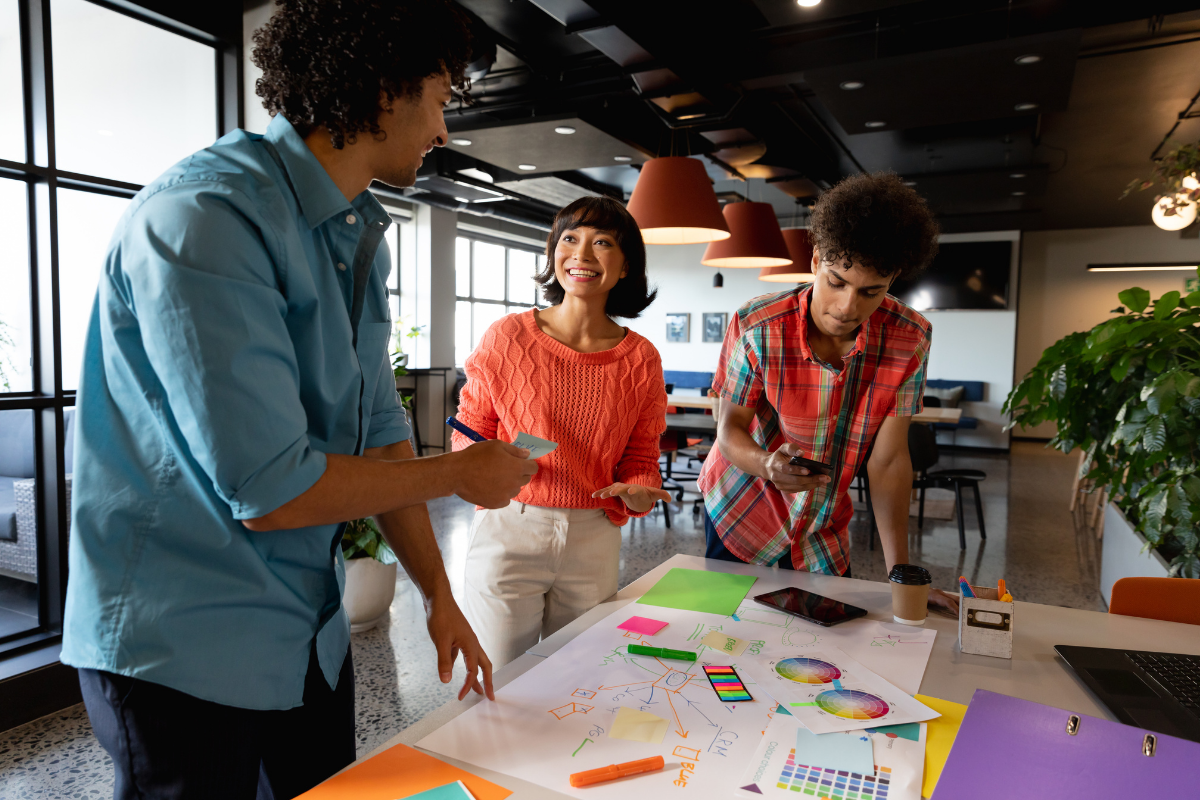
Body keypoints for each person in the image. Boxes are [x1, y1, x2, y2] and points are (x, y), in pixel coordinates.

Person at [60, 2, 538, 798]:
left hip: (304, 633)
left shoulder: (352, 228)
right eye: (442, 96)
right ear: (387, 89)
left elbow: (381, 431)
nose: (444, 130)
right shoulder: (207, 217)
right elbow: (272, 489)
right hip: (181, 645)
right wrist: (457, 474)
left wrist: (440, 596)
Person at [698, 172, 958, 613]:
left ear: (893, 279)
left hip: (822, 524)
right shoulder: (758, 324)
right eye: (837, 281)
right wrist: (766, 464)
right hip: (742, 510)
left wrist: (902, 576)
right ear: (817, 259)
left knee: (828, 651)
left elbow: (890, 459)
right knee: (729, 635)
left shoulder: (910, 337)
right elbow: (729, 429)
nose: (847, 307)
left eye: (870, 292)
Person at [452, 196, 673, 668]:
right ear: (554, 252)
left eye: (602, 243)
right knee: (497, 674)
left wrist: (639, 489)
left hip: (593, 537)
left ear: (626, 264)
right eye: (569, 239)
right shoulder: (507, 336)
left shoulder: (641, 359)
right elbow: (469, 432)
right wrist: (484, 464)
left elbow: (640, 454)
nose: (582, 254)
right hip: (511, 527)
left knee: (574, 675)